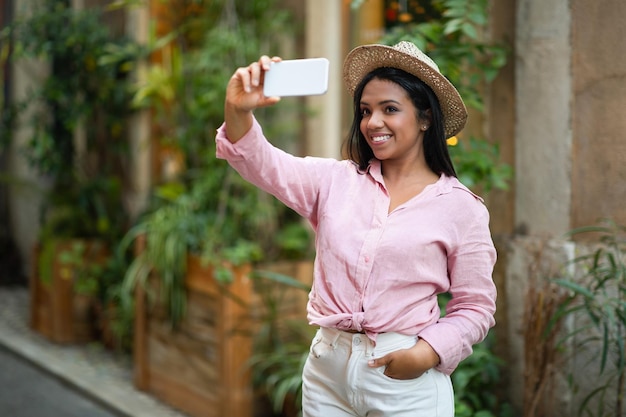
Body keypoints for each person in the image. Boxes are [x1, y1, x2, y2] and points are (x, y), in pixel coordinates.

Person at [216, 41, 497, 417]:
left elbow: (475, 306)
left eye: (390, 109)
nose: (372, 123)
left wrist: (427, 353)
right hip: (326, 372)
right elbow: (260, 162)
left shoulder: (461, 208)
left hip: (403, 379)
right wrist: (237, 109)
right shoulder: (335, 181)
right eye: (366, 111)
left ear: (426, 117)